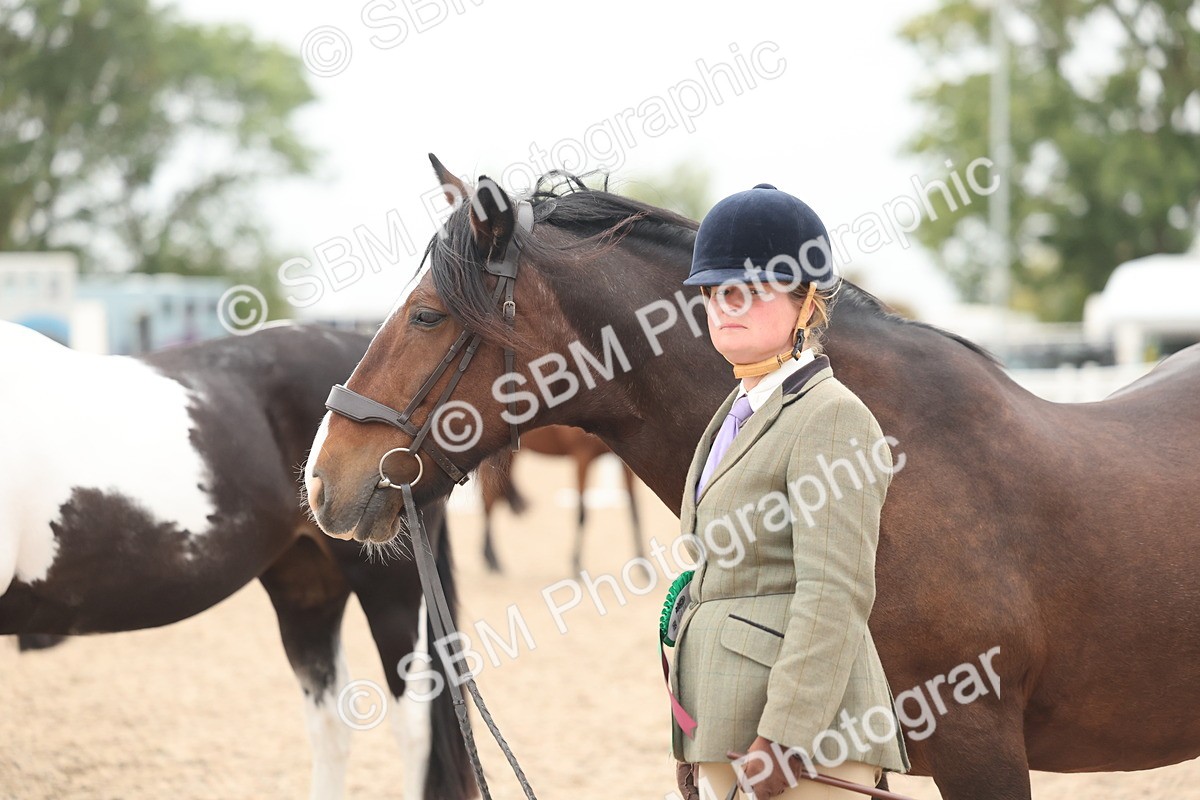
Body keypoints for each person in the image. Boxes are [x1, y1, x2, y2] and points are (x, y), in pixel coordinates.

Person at [665, 184, 910, 799]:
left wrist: (786, 737)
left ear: (806, 304)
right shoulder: (736, 411)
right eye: (715, 291)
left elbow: (836, 590)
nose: (726, 305)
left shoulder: (831, 416)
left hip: (802, 741)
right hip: (725, 720)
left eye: (749, 289)